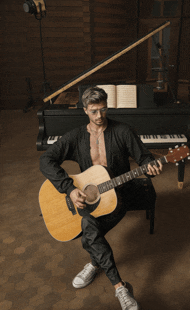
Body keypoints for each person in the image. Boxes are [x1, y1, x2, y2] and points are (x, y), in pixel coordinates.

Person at [40, 86, 162, 310]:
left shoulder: (123, 131)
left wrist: (151, 166)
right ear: (85, 110)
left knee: (88, 231)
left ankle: (104, 274)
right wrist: (69, 188)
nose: (99, 116)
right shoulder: (76, 136)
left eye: (104, 110)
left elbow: (144, 158)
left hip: (119, 196)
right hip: (89, 197)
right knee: (90, 227)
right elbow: (46, 160)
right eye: (94, 111)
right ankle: (117, 284)